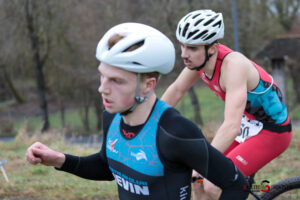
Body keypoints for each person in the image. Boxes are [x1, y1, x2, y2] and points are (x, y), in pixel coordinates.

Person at [26, 22, 249, 200]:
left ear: (148, 85)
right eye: (102, 76)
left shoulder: (175, 132)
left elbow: (237, 185)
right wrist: (58, 160)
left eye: (116, 81)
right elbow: (108, 166)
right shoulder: (112, 116)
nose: (102, 88)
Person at [161, 9, 292, 200]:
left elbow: (231, 126)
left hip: (272, 132)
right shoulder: (199, 62)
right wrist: (150, 120)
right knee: (196, 180)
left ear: (212, 48)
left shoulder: (233, 66)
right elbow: (177, 90)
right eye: (182, 46)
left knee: (213, 183)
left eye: (192, 48)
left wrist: (204, 162)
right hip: (248, 125)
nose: (184, 54)